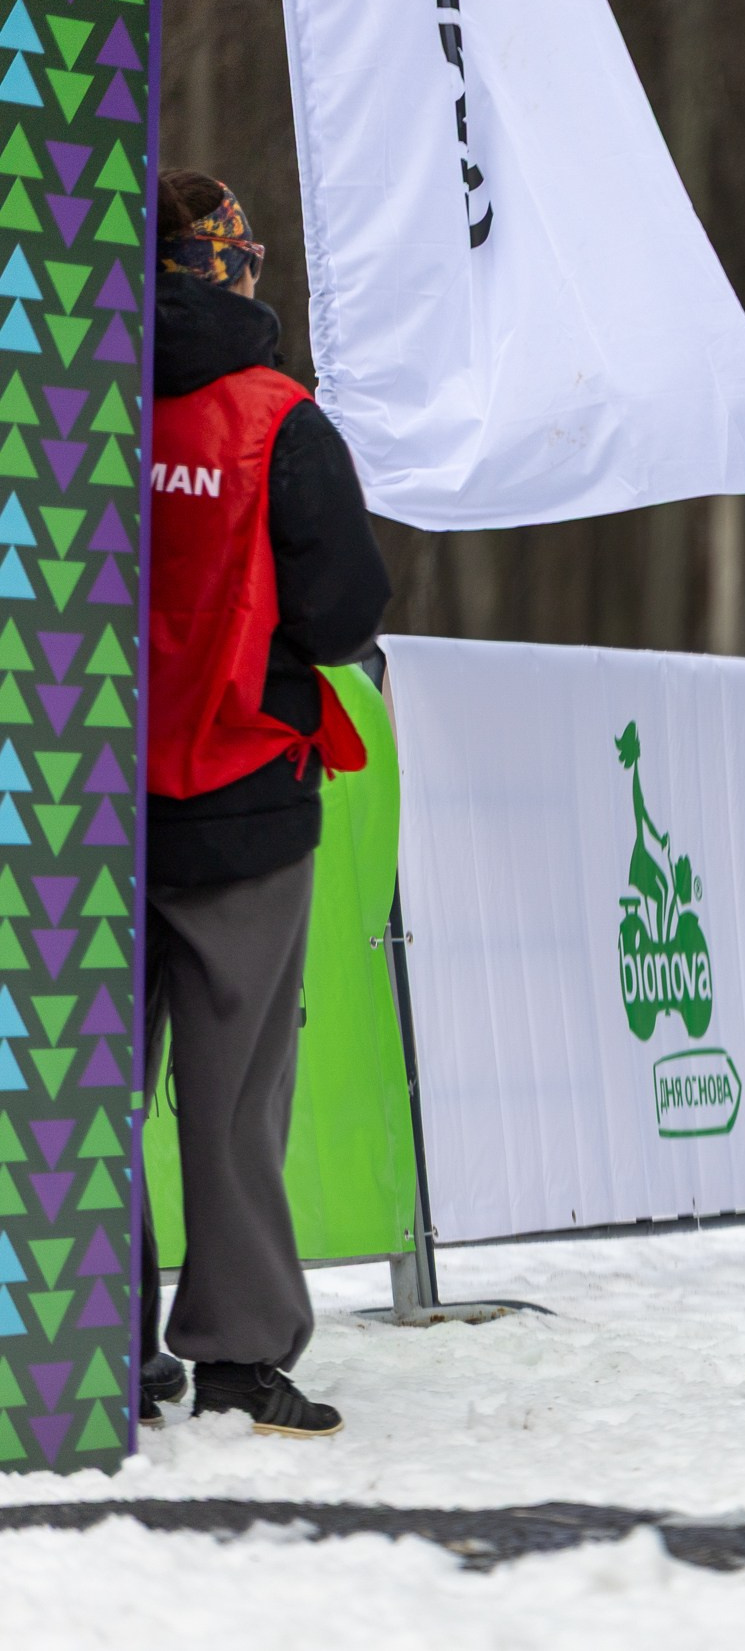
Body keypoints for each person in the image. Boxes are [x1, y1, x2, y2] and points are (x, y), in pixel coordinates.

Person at [141, 170, 391, 1434]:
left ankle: (90, 1345)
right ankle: (237, 1360)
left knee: (77, 1087)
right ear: (233, 267)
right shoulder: (279, 420)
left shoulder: (62, 408)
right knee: (232, 1097)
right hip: (243, 791)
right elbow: (346, 612)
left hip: (78, 804)